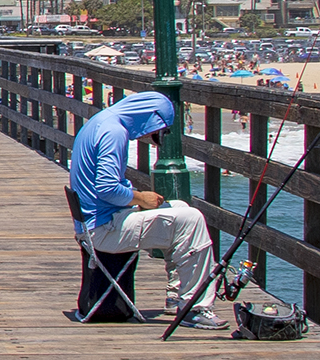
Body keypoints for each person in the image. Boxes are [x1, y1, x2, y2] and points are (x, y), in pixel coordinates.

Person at [66, 89, 227, 330]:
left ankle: (176, 296)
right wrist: (141, 197)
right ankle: (195, 307)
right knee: (192, 218)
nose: (154, 136)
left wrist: (137, 200)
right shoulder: (114, 132)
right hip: (103, 230)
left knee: (180, 208)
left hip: (93, 224)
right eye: (158, 130)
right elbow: (107, 189)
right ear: (150, 118)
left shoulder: (100, 121)